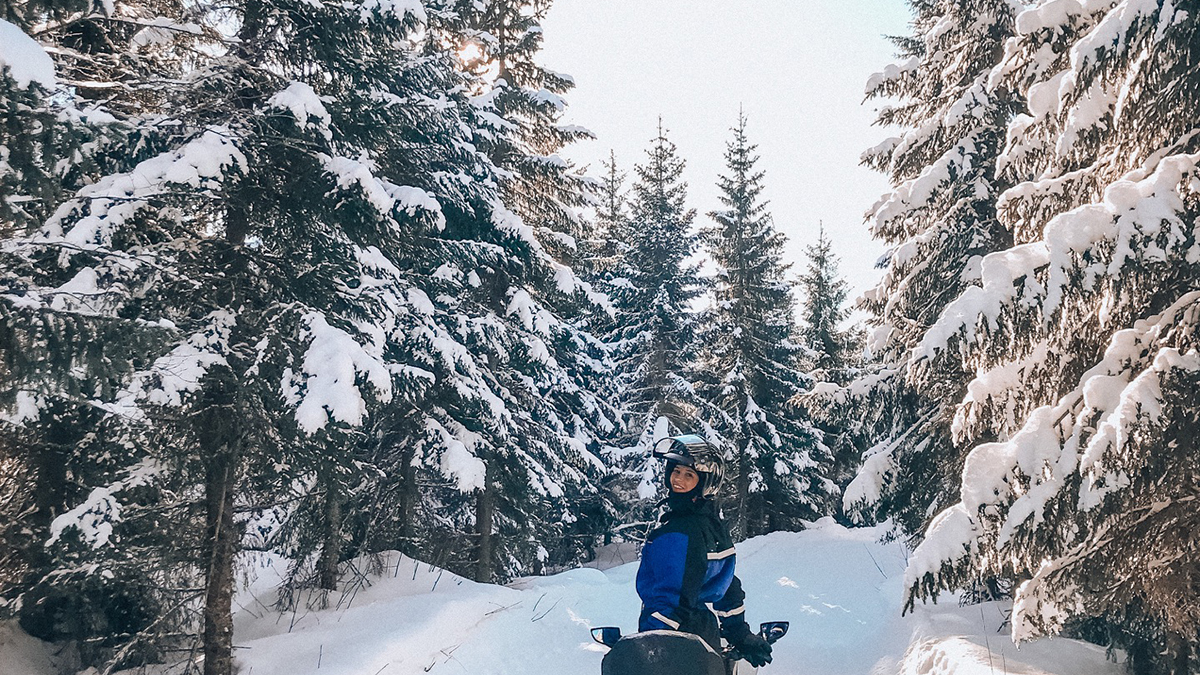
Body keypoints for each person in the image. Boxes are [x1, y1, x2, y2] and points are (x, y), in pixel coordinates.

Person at [635, 435, 773, 668]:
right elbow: (726, 584)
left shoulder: (679, 531)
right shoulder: (711, 524)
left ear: (704, 482)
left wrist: (649, 647)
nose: (678, 479)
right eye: (676, 471)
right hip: (704, 640)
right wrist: (738, 632)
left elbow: (673, 598)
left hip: (674, 646)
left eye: (689, 475)